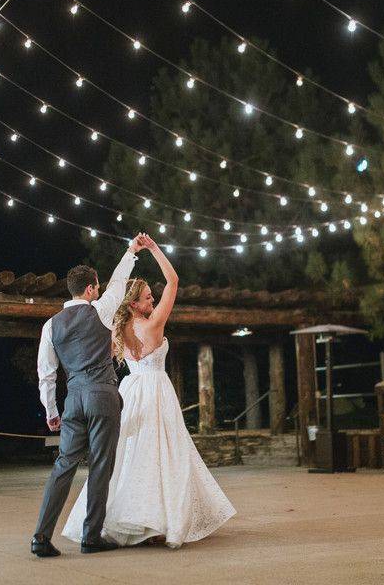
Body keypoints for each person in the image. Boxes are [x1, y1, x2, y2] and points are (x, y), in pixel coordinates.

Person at [62, 234, 236, 548]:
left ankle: (121, 520)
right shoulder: (154, 324)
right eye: (146, 298)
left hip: (130, 390)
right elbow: (174, 280)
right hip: (156, 389)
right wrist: (154, 249)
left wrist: (133, 253)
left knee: (128, 456)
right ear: (133, 304)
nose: (152, 302)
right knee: (162, 456)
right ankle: (156, 522)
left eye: (152, 298)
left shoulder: (116, 327)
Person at [30, 234, 148, 557]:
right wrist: (131, 251)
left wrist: (50, 410)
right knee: (100, 466)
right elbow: (121, 282)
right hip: (103, 397)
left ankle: (41, 537)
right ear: (92, 288)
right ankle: (90, 537)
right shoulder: (100, 311)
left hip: (73, 401)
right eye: (98, 287)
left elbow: (47, 373)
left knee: (64, 465)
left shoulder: (50, 326)